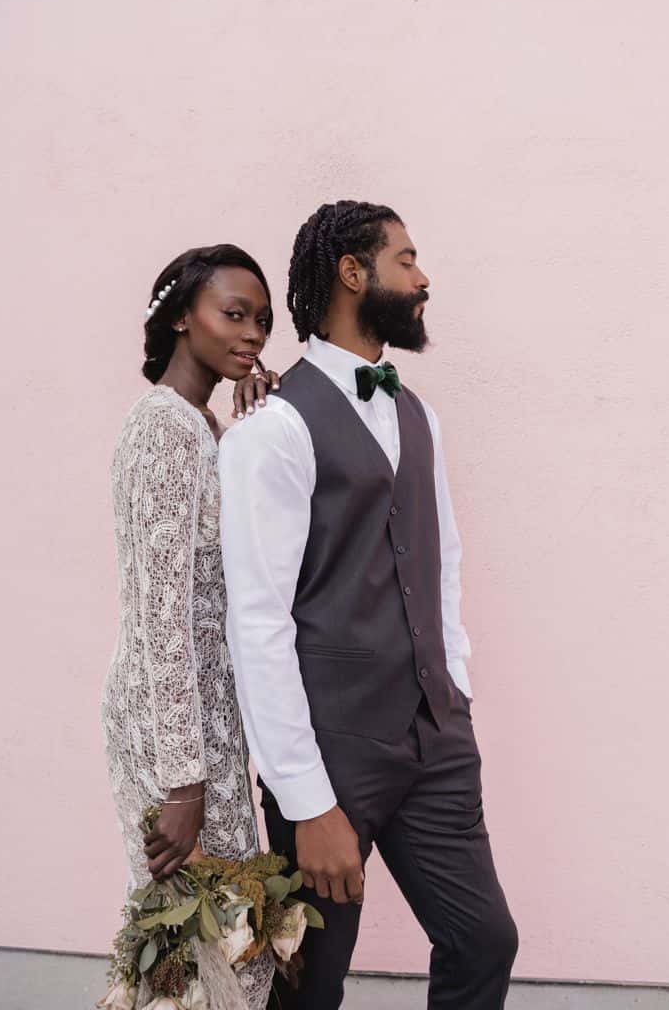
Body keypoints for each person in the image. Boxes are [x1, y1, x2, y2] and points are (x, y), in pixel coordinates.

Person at [218, 201, 519, 1008]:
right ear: (354, 273)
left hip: (433, 737)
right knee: (310, 986)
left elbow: (441, 558)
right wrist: (306, 799)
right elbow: (257, 620)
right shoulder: (272, 429)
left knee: (485, 939)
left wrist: (452, 688)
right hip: (332, 751)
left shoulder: (417, 413)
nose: (423, 279)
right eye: (407, 260)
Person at [103, 244, 282, 1009]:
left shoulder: (204, 425)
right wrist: (182, 783)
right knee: (196, 944)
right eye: (233, 314)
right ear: (182, 316)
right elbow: (159, 614)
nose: (252, 336)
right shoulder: (164, 431)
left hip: (210, 727)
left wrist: (254, 434)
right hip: (170, 732)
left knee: (228, 943)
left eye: (263, 322)